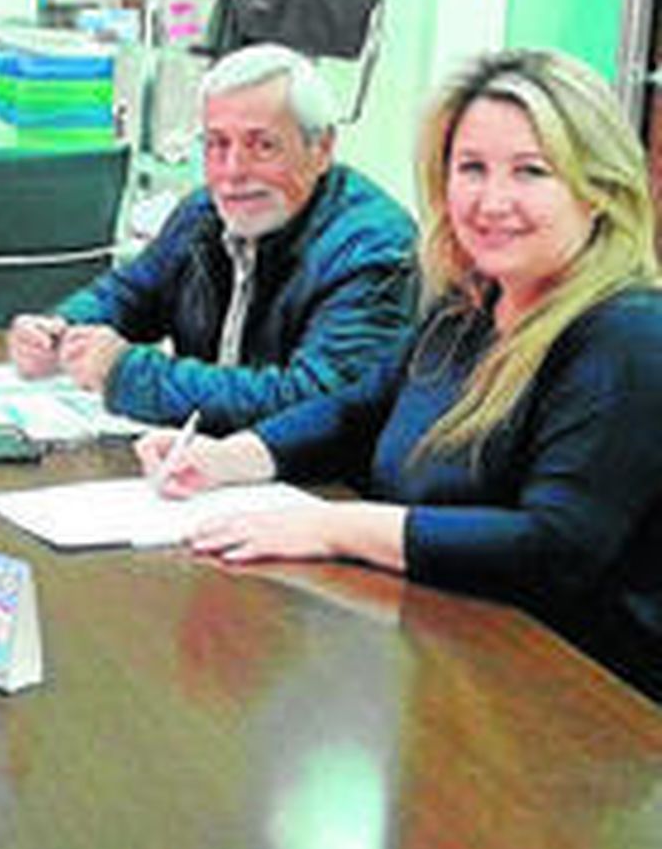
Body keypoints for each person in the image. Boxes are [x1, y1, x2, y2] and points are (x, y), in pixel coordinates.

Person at [138, 50, 662, 701]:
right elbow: (360, 409)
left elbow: (554, 546)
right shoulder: (472, 304)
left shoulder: (629, 336)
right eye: (472, 168)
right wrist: (229, 459)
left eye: (531, 172)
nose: (492, 201)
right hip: (446, 665)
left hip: (576, 704)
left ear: (599, 191)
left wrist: (332, 529)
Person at [8, 42, 416, 432]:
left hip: (321, 490)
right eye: (217, 144)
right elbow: (131, 292)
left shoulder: (374, 247)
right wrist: (60, 330)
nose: (233, 171)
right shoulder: (204, 213)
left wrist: (128, 375)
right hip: (207, 467)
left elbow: (315, 404)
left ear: (322, 148)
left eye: (263, 146)